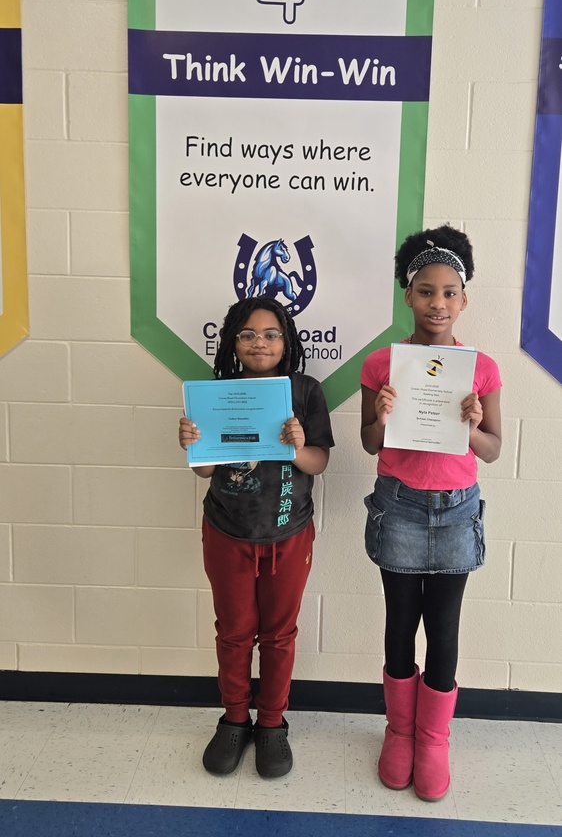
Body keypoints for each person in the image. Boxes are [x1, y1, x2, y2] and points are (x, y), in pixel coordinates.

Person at [360, 225, 501, 802]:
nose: (437, 303)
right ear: (408, 296)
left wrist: (472, 426)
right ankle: (399, 730)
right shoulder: (381, 364)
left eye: (448, 292)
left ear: (463, 300)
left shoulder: (482, 368)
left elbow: (493, 450)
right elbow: (369, 443)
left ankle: (433, 738)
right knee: (400, 623)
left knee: (443, 629)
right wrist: (382, 414)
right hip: (399, 507)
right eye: (425, 291)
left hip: (456, 512)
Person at [179, 296, 334, 780]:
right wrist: (192, 444)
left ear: (286, 341)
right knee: (234, 631)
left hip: (289, 532)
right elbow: (205, 471)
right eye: (247, 335)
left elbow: (319, 463)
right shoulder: (216, 393)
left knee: (279, 634)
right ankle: (234, 718)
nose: (259, 343)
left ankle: (271, 723)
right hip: (228, 531)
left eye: (270, 334)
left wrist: (298, 447)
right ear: (232, 342)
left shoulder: (304, 391)